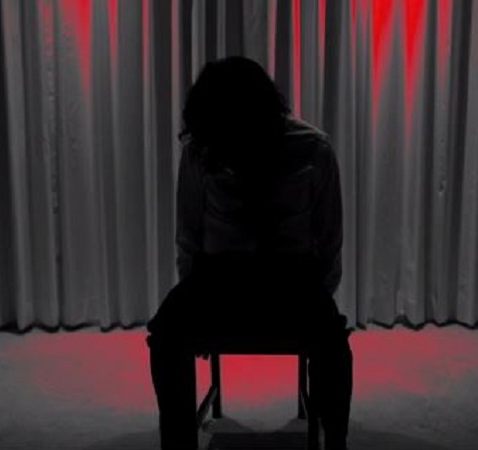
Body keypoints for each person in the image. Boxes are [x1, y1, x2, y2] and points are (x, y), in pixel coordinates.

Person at [146, 56, 352, 450]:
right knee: (166, 335)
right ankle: (177, 443)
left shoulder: (313, 149)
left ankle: (336, 443)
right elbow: (189, 235)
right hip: (219, 278)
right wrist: (194, 303)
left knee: (332, 342)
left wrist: (319, 297)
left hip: (290, 279)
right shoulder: (201, 150)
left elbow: (330, 237)